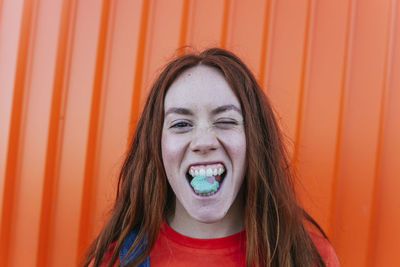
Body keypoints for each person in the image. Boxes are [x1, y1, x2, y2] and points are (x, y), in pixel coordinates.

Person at [83, 48, 340, 267]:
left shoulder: (309, 258)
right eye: (181, 124)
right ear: (156, 146)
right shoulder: (113, 260)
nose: (204, 142)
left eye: (226, 121)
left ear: (255, 140)